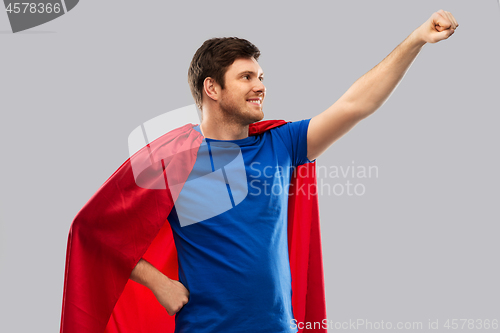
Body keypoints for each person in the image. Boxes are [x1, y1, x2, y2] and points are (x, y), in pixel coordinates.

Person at [60, 9, 458, 333]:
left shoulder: (282, 144)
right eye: (246, 77)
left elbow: (355, 105)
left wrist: (416, 39)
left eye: (261, 77)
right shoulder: (170, 159)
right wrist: (159, 283)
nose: (260, 86)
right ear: (212, 88)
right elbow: (93, 230)